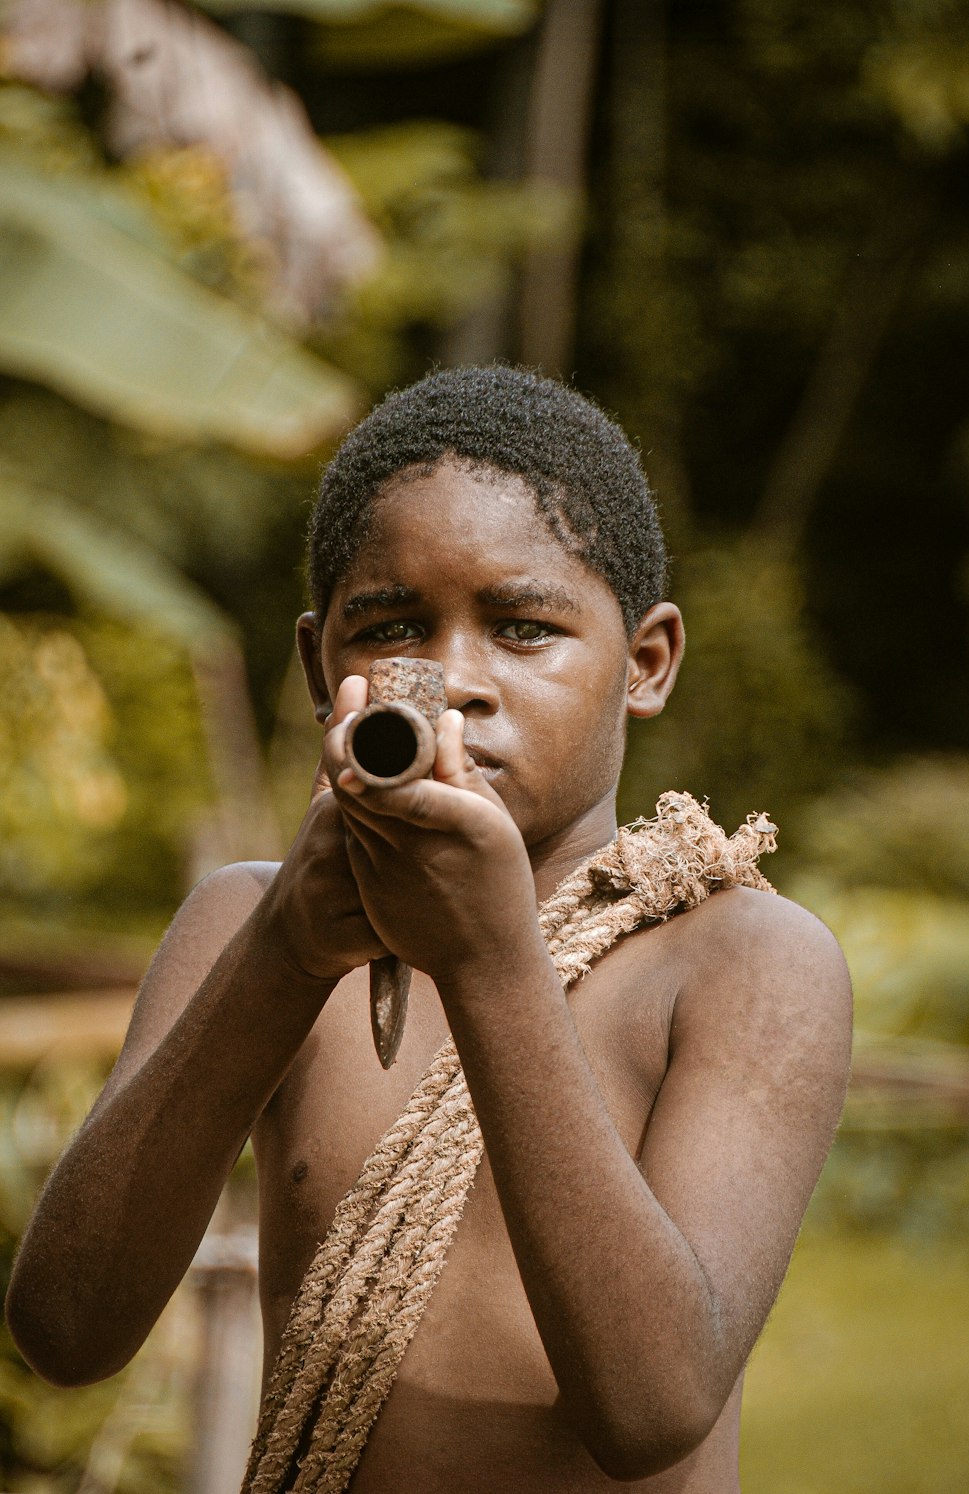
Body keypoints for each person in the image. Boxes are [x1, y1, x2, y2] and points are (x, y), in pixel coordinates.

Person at [7, 365, 852, 1492]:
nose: (455, 682)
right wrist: (284, 955)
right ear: (322, 668)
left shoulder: (744, 960)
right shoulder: (250, 929)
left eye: (522, 628)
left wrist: (494, 958)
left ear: (644, 664)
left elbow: (652, 1410)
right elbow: (65, 1334)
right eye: (393, 626)